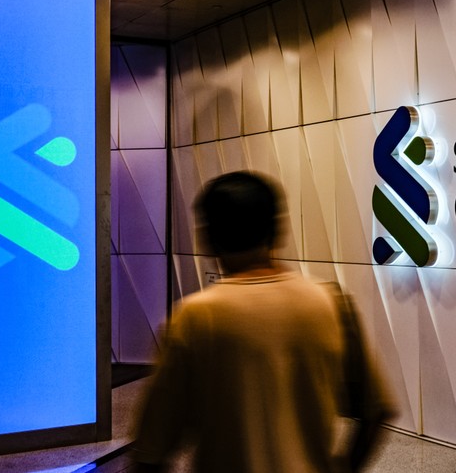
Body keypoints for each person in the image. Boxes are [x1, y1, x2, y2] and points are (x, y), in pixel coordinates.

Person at [131, 171, 396, 472]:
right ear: (278, 230)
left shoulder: (194, 319)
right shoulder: (331, 303)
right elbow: (376, 410)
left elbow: (150, 452)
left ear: (208, 238)